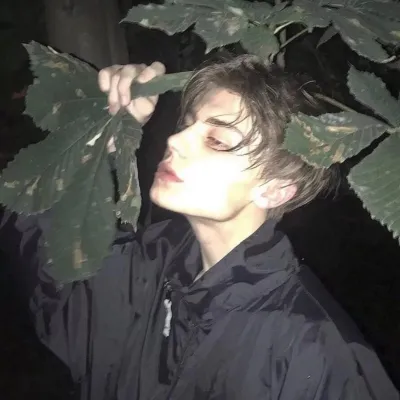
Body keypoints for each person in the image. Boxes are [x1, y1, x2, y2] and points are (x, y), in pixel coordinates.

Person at [1, 54, 398, 400]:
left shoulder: (312, 349)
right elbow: (52, 272)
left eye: (218, 140)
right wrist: (104, 136)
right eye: (188, 124)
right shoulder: (151, 263)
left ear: (275, 190)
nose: (175, 140)